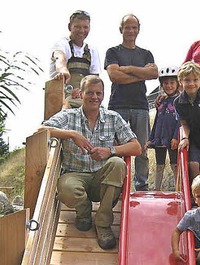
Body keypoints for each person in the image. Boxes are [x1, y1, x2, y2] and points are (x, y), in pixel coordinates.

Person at [41, 75, 141, 250]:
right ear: (80, 93)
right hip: (74, 174)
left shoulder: (113, 117)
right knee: (66, 188)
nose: (95, 97)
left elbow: (136, 147)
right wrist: (71, 134)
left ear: (103, 95)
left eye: (98, 93)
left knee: (118, 163)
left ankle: (103, 223)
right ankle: (84, 212)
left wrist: (109, 151)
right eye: (90, 93)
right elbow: (41, 129)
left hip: (101, 177)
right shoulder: (68, 116)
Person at [104, 14, 158, 191]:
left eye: (134, 27)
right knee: (117, 148)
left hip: (140, 106)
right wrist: (141, 73)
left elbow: (154, 74)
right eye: (127, 27)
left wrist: (128, 69)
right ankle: (117, 184)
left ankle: (141, 185)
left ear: (138, 30)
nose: (130, 31)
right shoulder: (113, 52)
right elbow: (114, 76)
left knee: (142, 148)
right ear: (121, 29)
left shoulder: (146, 53)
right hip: (117, 106)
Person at [49, 10, 102, 109]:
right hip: (62, 96)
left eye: (85, 27)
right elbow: (60, 58)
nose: (82, 31)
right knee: (64, 112)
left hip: (84, 97)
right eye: (78, 27)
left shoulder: (92, 51)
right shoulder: (62, 44)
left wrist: (82, 91)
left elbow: (95, 80)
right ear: (70, 27)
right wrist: (63, 71)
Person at [145, 66, 181, 191]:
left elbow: (181, 121)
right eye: (166, 83)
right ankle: (157, 190)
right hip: (159, 138)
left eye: (172, 83)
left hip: (172, 138)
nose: (169, 86)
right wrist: (151, 138)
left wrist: (176, 137)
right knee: (159, 164)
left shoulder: (180, 101)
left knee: (174, 164)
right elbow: (156, 121)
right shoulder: (162, 102)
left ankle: (178, 189)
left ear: (178, 84)